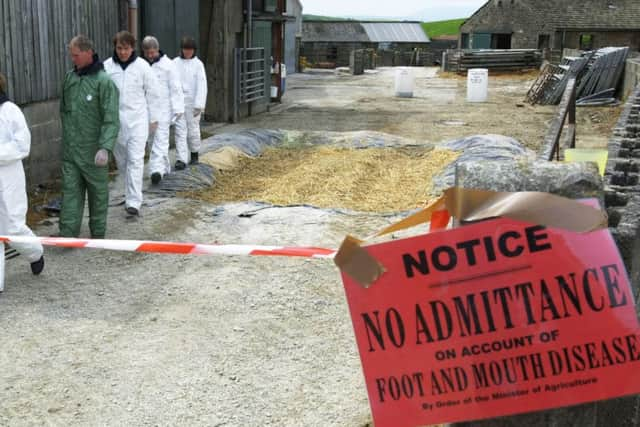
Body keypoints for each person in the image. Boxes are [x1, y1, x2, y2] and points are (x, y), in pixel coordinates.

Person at [59, 35, 120, 239]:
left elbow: (111, 118)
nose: (72, 59)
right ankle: (68, 235)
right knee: (70, 193)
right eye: (71, 55)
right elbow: (64, 112)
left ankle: (98, 234)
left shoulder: (104, 82)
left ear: (88, 53)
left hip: (94, 152)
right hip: (71, 151)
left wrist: (105, 147)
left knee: (98, 194)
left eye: (75, 55)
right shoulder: (70, 78)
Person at [104, 31, 161, 216]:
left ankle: (134, 202)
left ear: (132, 48)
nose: (122, 52)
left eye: (126, 48)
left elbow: (153, 92)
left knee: (136, 160)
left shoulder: (142, 67)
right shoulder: (107, 67)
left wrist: (153, 118)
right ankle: (129, 192)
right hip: (116, 121)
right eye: (119, 48)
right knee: (122, 161)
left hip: (137, 119)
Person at [0, 72, 44, 279]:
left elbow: (22, 145)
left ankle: (35, 252)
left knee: (12, 227)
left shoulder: (10, 111)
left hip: (8, 177)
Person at [142, 35, 184, 185]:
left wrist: (178, 108)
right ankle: (164, 167)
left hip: (164, 109)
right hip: (147, 110)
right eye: (148, 53)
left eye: (153, 52)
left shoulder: (168, 65)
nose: (151, 56)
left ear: (157, 49)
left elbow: (176, 87)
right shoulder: (142, 66)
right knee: (152, 141)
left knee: (161, 139)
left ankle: (156, 171)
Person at [173, 36, 207, 170]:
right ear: (181, 49)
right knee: (180, 131)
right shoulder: (175, 63)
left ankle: (194, 154)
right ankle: (181, 159)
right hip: (179, 102)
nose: (187, 52)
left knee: (192, 130)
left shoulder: (198, 65)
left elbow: (202, 85)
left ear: (194, 50)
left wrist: (199, 104)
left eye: (190, 49)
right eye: (185, 49)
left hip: (193, 103)